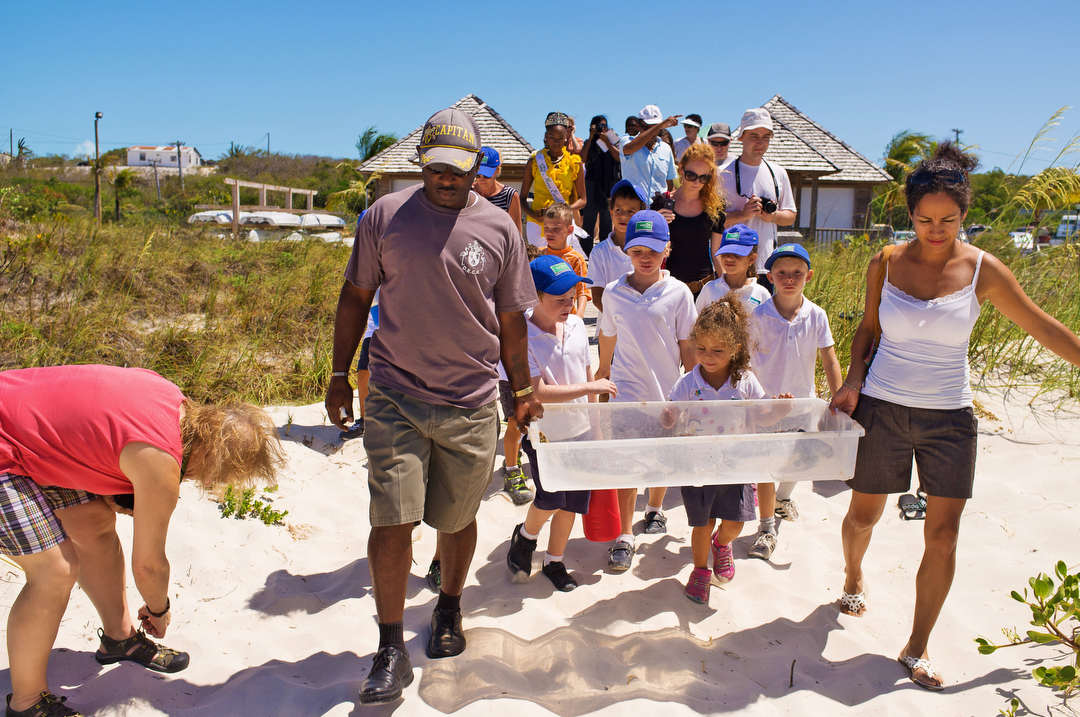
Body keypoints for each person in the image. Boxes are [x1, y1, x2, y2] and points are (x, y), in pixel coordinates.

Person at [828, 143, 1080, 691]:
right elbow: (868, 329)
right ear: (909, 215)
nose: (935, 229)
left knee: (942, 538)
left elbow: (1042, 328)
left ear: (965, 214)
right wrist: (851, 381)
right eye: (923, 219)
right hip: (883, 409)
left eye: (947, 219)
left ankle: (915, 647)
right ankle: (852, 575)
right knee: (863, 518)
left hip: (950, 419)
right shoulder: (886, 261)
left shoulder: (984, 271)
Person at [325, 107, 541, 705]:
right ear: (423, 162)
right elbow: (354, 296)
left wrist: (521, 393)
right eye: (437, 166)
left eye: (460, 167)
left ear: (477, 166)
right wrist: (340, 376)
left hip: (471, 401)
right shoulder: (384, 217)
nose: (448, 177)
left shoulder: (499, 230)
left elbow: (511, 320)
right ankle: (390, 644)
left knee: (456, 519)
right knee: (391, 519)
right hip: (395, 392)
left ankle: (449, 608)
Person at [0, 364, 284, 717]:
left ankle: (119, 638)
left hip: (25, 435)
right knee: (55, 571)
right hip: (5, 447)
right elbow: (149, 566)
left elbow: (90, 432)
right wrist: (159, 610)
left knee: (94, 522)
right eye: (216, 475)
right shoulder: (161, 460)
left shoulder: (171, 396)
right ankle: (27, 702)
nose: (203, 481)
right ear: (213, 457)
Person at [505, 256, 616, 591]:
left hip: (580, 431)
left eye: (572, 296)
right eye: (559, 299)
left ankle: (554, 560)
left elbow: (585, 371)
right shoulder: (520, 335)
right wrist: (593, 386)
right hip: (545, 435)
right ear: (534, 297)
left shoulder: (576, 327)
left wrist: (595, 428)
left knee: (574, 502)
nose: (569, 304)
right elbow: (537, 393)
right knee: (551, 497)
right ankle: (525, 539)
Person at [597, 210, 697, 571]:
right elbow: (608, 334)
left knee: (660, 461)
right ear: (626, 249)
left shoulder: (679, 293)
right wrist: (603, 372)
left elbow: (687, 344)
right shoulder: (612, 292)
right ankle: (625, 535)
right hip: (626, 394)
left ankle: (655, 509)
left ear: (666, 250)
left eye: (653, 250)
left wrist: (691, 387)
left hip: (667, 393)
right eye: (637, 249)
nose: (645, 257)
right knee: (626, 466)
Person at [662, 297, 768, 604]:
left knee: (735, 523)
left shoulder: (745, 381)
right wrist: (669, 417)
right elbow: (670, 413)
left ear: (734, 349)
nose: (707, 357)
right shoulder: (688, 382)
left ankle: (722, 545)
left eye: (717, 351)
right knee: (701, 522)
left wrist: (780, 408)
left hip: (735, 464)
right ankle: (700, 571)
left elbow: (762, 415)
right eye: (701, 348)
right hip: (697, 465)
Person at [748, 243, 842, 560]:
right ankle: (766, 529)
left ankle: (781, 499)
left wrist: (838, 399)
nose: (790, 279)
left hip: (803, 403)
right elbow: (745, 364)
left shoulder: (817, 315)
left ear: (809, 276)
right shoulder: (758, 316)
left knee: (799, 459)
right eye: (782, 273)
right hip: (767, 405)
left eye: (797, 273)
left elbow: (829, 359)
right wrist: (755, 403)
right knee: (765, 464)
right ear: (770, 276)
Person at [720, 109, 796, 293]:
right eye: (754, 136)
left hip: (765, 264)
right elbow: (711, 221)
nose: (760, 142)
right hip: (731, 263)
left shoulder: (778, 173)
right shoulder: (722, 174)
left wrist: (773, 215)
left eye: (766, 137)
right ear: (741, 137)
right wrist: (742, 214)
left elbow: (790, 216)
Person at [661, 143, 726, 296]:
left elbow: (717, 253)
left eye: (704, 178)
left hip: (704, 288)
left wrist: (726, 284)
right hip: (668, 289)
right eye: (691, 175)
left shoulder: (716, 207)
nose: (697, 183)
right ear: (681, 169)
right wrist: (656, 221)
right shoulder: (663, 202)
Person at [520, 112, 586, 251]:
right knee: (537, 263)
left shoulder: (574, 163)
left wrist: (566, 210)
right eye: (552, 137)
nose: (556, 142)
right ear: (545, 136)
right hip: (537, 223)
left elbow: (583, 200)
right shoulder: (534, 162)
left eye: (561, 138)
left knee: (562, 263)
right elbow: (521, 198)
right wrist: (533, 215)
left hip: (563, 222)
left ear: (566, 137)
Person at [587, 180, 645, 320]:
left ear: (641, 214)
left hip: (643, 325)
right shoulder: (599, 252)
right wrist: (621, 322)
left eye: (631, 211)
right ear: (611, 212)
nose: (624, 216)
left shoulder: (648, 250)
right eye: (619, 210)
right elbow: (597, 297)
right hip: (610, 329)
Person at [695, 223, 770, 316]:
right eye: (725, 254)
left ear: (751, 258)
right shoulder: (709, 289)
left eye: (736, 255)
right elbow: (695, 323)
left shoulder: (761, 294)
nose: (729, 259)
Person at [580, 115, 622, 256]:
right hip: (592, 184)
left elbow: (618, 157)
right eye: (597, 126)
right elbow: (582, 159)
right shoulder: (589, 142)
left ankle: (605, 254)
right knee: (588, 221)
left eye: (603, 126)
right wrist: (592, 138)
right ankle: (586, 254)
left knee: (607, 221)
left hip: (609, 185)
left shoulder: (613, 141)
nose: (600, 129)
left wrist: (607, 142)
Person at [540, 203, 590, 318]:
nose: (549, 232)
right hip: (541, 318)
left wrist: (579, 315)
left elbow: (582, 290)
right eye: (546, 227)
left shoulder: (576, 258)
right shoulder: (538, 255)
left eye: (556, 228)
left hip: (567, 316)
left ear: (569, 230)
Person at [619, 105, 679, 199]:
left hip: (658, 208)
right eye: (647, 128)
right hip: (634, 207)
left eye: (655, 128)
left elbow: (669, 183)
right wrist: (658, 126)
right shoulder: (626, 141)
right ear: (638, 126)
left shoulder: (666, 148)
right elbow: (629, 148)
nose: (652, 132)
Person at [473, 146, 522, 229]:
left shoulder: (509, 195)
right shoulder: (467, 191)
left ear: (498, 169)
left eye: (486, 175)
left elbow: (517, 233)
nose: (482, 179)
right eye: (478, 175)